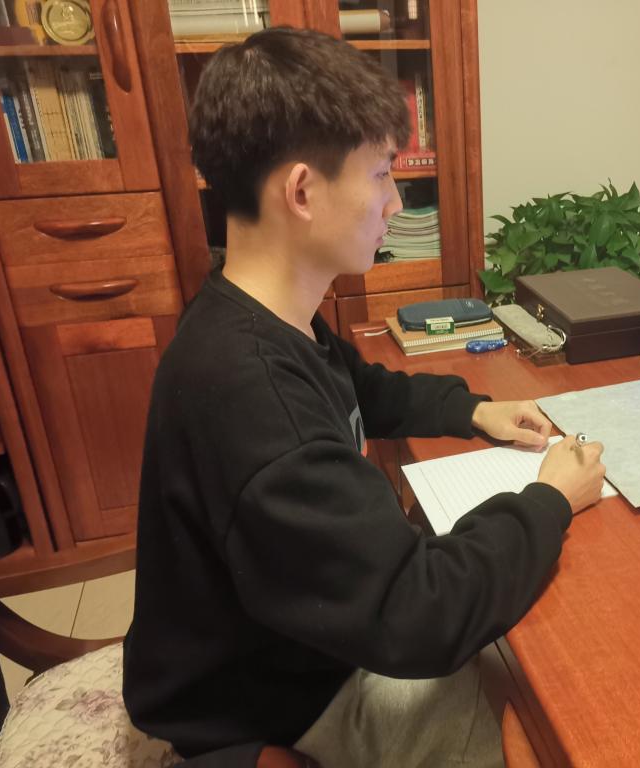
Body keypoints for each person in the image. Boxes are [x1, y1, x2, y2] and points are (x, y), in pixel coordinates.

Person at [122, 28, 606, 768]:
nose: (396, 201)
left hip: (296, 650)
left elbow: (359, 386)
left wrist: (473, 411)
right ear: (302, 192)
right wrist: (550, 500)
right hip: (275, 702)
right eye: (381, 174)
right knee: (556, 713)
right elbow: (418, 613)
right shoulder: (250, 390)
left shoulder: (255, 314)